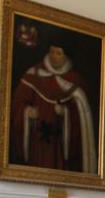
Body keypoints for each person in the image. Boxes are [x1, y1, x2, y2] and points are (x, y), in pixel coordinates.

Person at [9, 39, 97, 173]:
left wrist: (66, 113)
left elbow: (82, 120)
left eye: (58, 53)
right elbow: (17, 102)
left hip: (61, 147)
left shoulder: (75, 80)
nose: (54, 56)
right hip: (38, 145)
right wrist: (27, 112)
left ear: (66, 56)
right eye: (52, 52)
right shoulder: (34, 74)